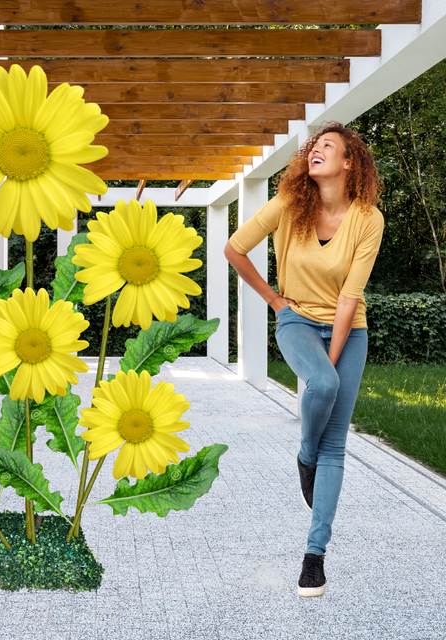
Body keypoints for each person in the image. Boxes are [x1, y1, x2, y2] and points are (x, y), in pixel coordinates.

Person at [224, 122, 384, 597]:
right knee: (324, 387)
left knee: (336, 442)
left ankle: (314, 557)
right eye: (313, 146)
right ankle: (305, 454)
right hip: (295, 320)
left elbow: (349, 298)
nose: (315, 151)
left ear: (349, 162)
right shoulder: (289, 205)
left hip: (348, 329)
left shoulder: (368, 218)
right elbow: (234, 248)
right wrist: (275, 301)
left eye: (327, 147)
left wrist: (329, 368)